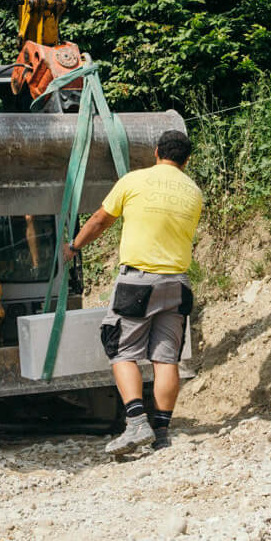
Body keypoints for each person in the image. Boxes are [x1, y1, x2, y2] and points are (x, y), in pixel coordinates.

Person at [62, 130, 202, 455]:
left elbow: (100, 220)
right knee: (166, 358)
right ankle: (163, 432)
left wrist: (74, 246)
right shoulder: (193, 192)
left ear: (156, 152)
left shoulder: (133, 181)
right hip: (177, 283)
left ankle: (137, 422)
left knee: (121, 349)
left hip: (139, 282)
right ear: (187, 160)